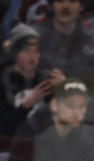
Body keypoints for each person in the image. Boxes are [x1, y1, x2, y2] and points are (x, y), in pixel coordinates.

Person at [8, 76, 94, 161]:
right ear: (54, 105)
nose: (77, 113)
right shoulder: (31, 131)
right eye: (70, 105)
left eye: (82, 106)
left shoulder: (84, 135)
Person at [0, 24, 63, 152]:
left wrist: (66, 90)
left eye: (37, 51)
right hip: (8, 152)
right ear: (15, 53)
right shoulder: (3, 81)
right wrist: (25, 106)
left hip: (46, 151)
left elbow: (70, 120)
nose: (32, 56)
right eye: (27, 50)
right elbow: (4, 130)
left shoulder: (48, 80)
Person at [36, 0, 93, 75]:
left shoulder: (92, 39)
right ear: (52, 5)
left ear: (81, 6)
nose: (66, 6)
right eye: (60, 1)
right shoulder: (36, 36)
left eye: (72, 1)